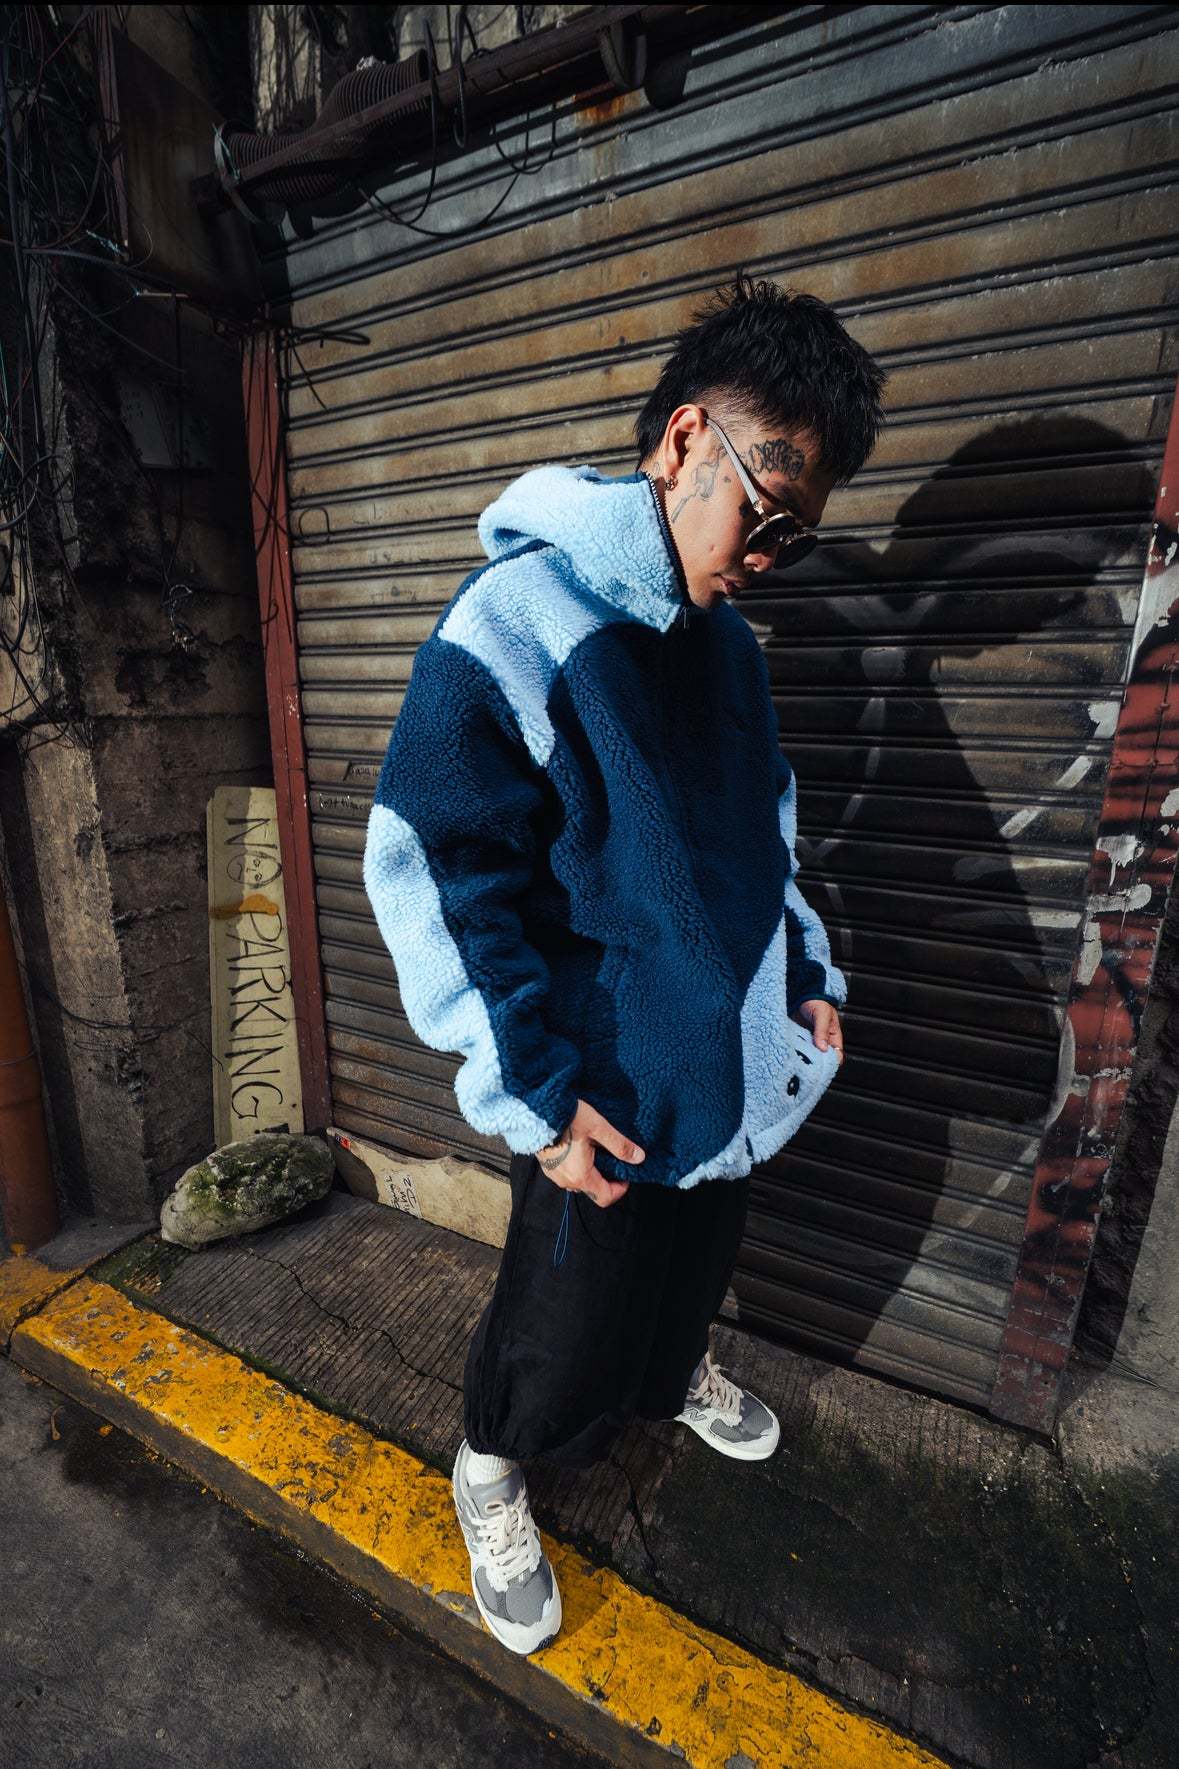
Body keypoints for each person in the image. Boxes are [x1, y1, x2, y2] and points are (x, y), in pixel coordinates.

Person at [363, 273, 887, 1656]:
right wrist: (532, 1095)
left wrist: (808, 973)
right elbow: (430, 861)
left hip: (723, 1069)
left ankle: (671, 1380)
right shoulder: (516, 619)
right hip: (592, 1082)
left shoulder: (733, 656)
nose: (767, 556)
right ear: (683, 439)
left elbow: (769, 837)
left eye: (798, 538)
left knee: (684, 1279)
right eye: (765, 515)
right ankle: (489, 1465)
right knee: (561, 1318)